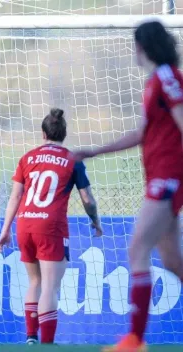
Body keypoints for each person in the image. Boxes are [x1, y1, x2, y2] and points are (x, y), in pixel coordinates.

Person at [74, 20, 183, 352]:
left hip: (169, 176)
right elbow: (142, 134)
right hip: (161, 176)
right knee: (173, 263)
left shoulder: (167, 77)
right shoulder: (154, 83)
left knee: (136, 248)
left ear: (141, 46)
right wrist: (94, 150)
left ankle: (134, 340)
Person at [0, 108, 102, 345]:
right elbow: (87, 200)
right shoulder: (72, 160)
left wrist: (5, 230)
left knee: (34, 282)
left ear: (43, 134)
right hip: (51, 227)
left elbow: (14, 197)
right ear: (64, 134)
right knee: (50, 287)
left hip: (25, 223)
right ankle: (47, 344)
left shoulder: (27, 158)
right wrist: (96, 222)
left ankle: (31, 337)